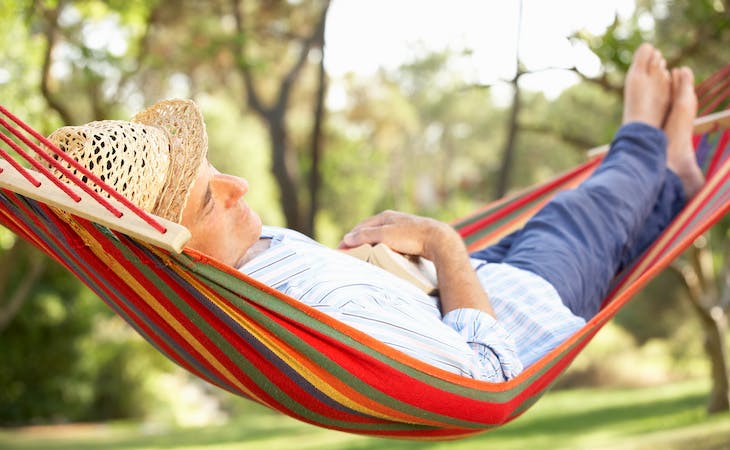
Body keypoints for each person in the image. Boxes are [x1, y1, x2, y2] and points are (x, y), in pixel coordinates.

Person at [45, 44, 704, 382]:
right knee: (582, 213)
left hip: (468, 282)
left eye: (220, 169)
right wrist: (443, 242)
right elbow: (492, 371)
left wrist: (397, 250)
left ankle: (673, 177)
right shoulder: (310, 312)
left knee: (600, 226)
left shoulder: (241, 275)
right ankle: (643, 140)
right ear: (175, 245)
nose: (243, 186)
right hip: (520, 307)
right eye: (215, 195)